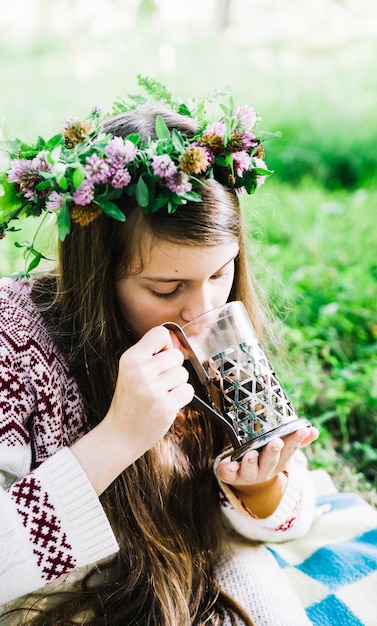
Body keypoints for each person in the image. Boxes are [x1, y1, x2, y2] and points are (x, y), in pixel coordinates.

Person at [0, 78, 319, 625]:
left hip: (185, 560)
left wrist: (263, 485)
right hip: (56, 594)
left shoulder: (222, 332)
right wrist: (119, 437)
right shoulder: (15, 340)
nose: (202, 308)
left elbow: (291, 512)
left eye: (222, 272)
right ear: (98, 274)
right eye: (166, 289)